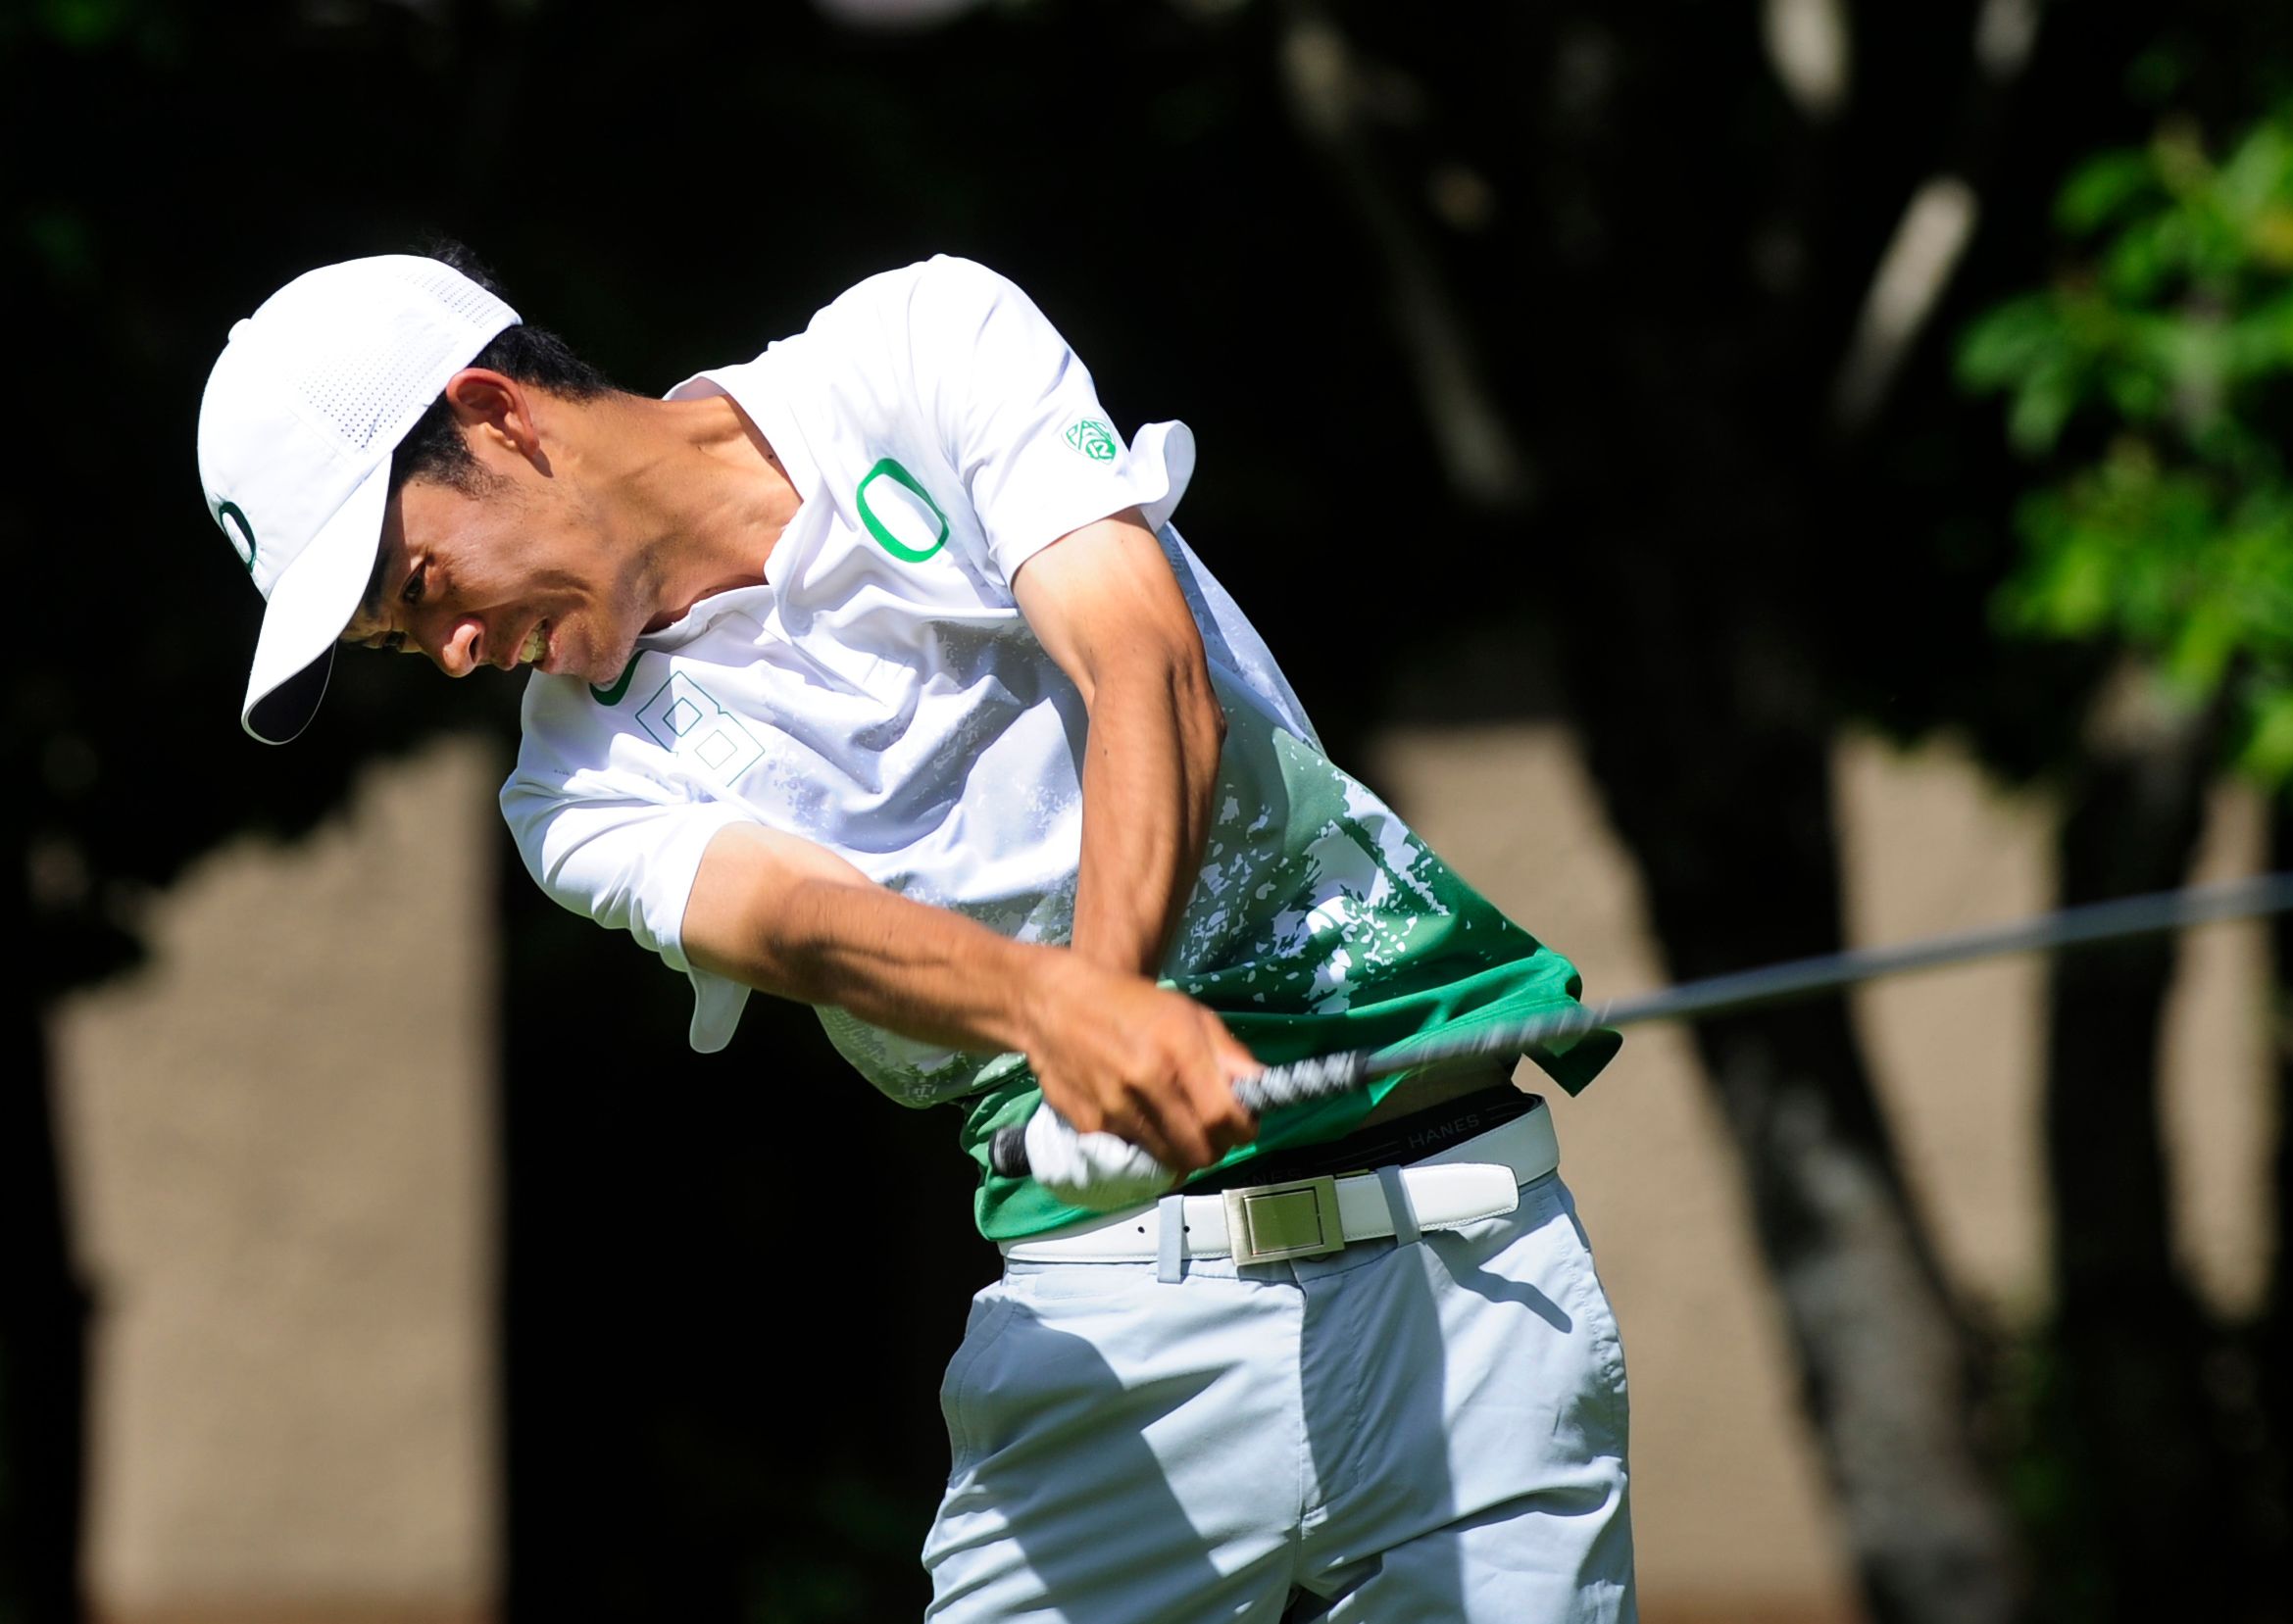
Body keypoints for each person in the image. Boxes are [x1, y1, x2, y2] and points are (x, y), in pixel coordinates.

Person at [194, 245, 1634, 1619]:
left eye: (422, 588)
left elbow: (1141, 660)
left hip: (1470, 1269)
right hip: (1112, 1333)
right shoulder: (570, 784)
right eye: (400, 641)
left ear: (496, 416)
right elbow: (806, 926)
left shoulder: (922, 346)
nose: (451, 653)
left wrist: (1101, 992)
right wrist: (1066, 1019)